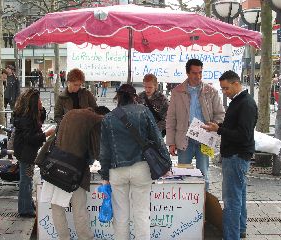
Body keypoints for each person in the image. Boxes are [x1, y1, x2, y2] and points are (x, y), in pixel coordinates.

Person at [99, 84, 167, 240]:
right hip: (141, 168)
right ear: (134, 97)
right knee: (141, 213)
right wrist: (166, 163)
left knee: (121, 215)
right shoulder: (143, 111)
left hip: (117, 171)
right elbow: (158, 139)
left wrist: (104, 176)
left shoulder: (108, 118)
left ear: (118, 97)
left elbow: (104, 151)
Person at [202, 70, 258, 240]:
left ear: (236, 84)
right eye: (222, 89)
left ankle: (231, 236)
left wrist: (220, 129)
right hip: (236, 155)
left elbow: (243, 134)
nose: (224, 92)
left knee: (232, 200)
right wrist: (218, 127)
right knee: (239, 196)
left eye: (226, 88)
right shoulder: (238, 101)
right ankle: (240, 230)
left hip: (236, 156)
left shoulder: (245, 104)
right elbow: (235, 126)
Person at [41, 107, 105, 240]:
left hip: (55, 165)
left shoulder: (70, 113)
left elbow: (54, 138)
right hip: (75, 171)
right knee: (79, 209)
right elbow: (96, 150)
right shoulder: (95, 120)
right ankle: (85, 238)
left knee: (57, 207)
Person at [166, 59, 225, 190]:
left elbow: (220, 114)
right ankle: (186, 204)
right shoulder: (177, 92)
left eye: (200, 73)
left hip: (204, 139)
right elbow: (171, 118)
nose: (197, 76)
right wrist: (171, 142)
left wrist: (213, 126)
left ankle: (204, 205)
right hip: (183, 139)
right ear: (187, 73)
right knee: (183, 174)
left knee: (203, 174)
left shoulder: (211, 91)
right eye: (194, 73)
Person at [13, 88, 55, 217]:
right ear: (32, 102)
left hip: (27, 152)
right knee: (26, 180)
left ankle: (28, 204)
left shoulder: (30, 114)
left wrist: (41, 109)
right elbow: (30, 138)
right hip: (26, 153)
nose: (41, 101)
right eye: (39, 100)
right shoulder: (26, 118)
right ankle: (25, 209)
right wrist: (46, 134)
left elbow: (39, 121)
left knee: (28, 178)